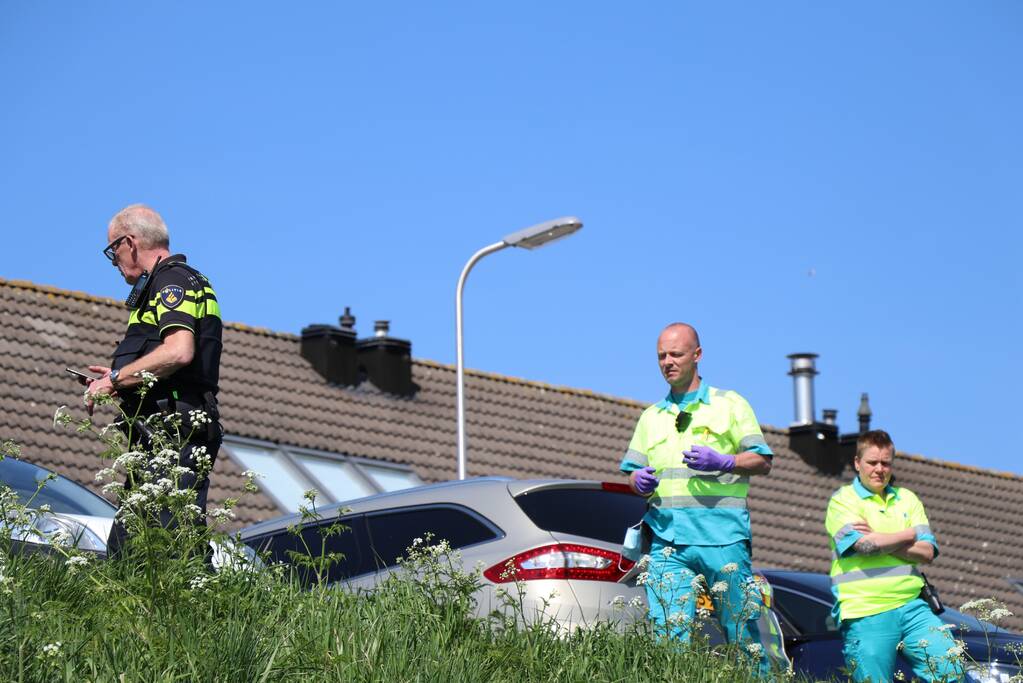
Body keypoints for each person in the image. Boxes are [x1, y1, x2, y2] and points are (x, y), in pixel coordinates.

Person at [620, 323, 780, 676]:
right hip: (667, 544)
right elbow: (632, 473)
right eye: (661, 355)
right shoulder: (651, 417)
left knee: (743, 634)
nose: (667, 362)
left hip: (721, 538)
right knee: (667, 641)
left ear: (697, 355)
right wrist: (638, 481)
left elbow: (763, 460)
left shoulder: (730, 404)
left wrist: (725, 461)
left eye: (675, 354)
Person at [85, 204, 223, 558]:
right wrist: (123, 377)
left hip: (173, 430)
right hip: (160, 431)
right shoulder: (171, 283)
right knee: (129, 547)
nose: (114, 262)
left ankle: (210, 612)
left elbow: (179, 351)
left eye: (112, 250)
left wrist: (117, 377)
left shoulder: (171, 281)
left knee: (173, 545)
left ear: (129, 242)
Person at [825, 430, 963, 682]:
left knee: (951, 670)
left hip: (913, 606)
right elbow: (863, 546)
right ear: (857, 463)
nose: (879, 469)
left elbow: (928, 552)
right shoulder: (842, 501)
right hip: (865, 609)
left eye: (885, 463)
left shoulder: (907, 499)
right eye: (872, 462)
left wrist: (879, 537)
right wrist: (909, 534)